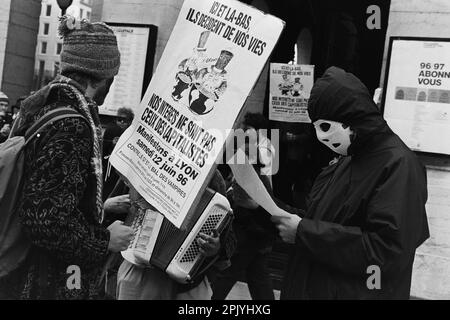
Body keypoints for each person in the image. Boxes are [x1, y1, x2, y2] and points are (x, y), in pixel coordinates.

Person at [0, 17, 135, 300]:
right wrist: (106, 240)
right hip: (45, 277)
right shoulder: (73, 125)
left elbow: (43, 191)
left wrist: (99, 205)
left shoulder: (43, 106)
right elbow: (45, 220)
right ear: (103, 75)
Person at [271, 66, 430, 299]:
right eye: (315, 127)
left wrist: (304, 233)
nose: (321, 136)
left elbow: (387, 252)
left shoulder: (399, 165)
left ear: (353, 120)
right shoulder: (348, 160)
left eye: (325, 126)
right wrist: (264, 208)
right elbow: (318, 218)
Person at [116, 170, 236, 300]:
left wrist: (215, 247)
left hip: (186, 282)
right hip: (138, 271)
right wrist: (111, 207)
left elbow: (229, 239)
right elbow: (112, 211)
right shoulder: (143, 163)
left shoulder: (212, 176)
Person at [212, 113, 278, 300]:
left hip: (252, 224)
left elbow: (252, 175)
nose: (241, 132)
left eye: (246, 128)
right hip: (257, 225)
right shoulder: (255, 147)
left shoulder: (263, 149)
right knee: (258, 275)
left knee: (229, 271)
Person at [103, 107, 134, 200]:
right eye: (119, 119)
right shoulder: (110, 130)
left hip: (123, 165)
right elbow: (104, 148)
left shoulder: (132, 133)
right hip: (109, 163)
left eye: (124, 120)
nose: (121, 122)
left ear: (130, 121)